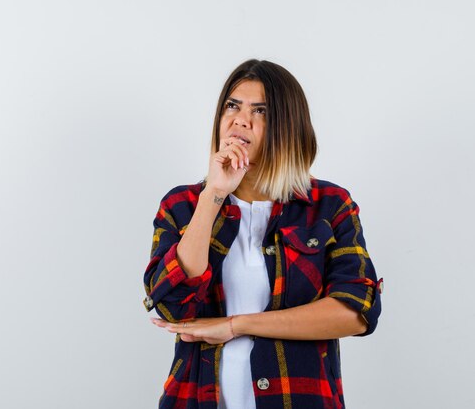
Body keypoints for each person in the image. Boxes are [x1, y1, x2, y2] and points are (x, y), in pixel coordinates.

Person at [142, 59, 383, 409]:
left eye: (261, 111)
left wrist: (235, 325)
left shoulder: (329, 206)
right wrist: (214, 194)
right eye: (232, 106)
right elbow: (173, 306)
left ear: (288, 127)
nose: (241, 119)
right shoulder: (183, 205)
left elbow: (356, 313)